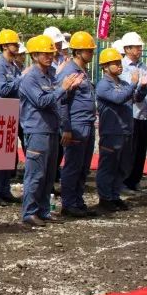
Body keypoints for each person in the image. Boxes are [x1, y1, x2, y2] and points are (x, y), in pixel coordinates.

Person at [19, 34, 82, 228]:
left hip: (51, 129)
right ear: (35, 55)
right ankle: (29, 212)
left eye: (50, 53)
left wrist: (67, 89)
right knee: (35, 174)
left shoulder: (51, 74)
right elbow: (42, 101)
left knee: (48, 174)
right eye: (45, 53)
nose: (49, 56)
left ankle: (44, 210)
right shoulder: (30, 78)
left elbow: (57, 101)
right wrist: (63, 89)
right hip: (37, 130)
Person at [95, 47, 147, 212]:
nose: (119, 66)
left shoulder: (124, 84)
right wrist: (133, 84)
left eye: (119, 62)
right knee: (108, 166)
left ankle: (114, 195)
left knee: (123, 166)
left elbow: (136, 98)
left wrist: (142, 87)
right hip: (111, 132)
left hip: (126, 131)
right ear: (105, 66)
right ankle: (105, 198)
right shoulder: (103, 85)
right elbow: (118, 98)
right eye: (115, 63)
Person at [57, 31, 99, 218]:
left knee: (83, 166)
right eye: (88, 51)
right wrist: (66, 128)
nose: (91, 54)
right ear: (78, 51)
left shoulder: (82, 71)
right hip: (75, 125)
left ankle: (77, 200)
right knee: (73, 165)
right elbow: (62, 102)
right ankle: (68, 203)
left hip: (87, 124)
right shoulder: (68, 72)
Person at [0, 29, 22, 205]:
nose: (16, 46)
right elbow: (4, 89)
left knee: (8, 154)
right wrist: (20, 79)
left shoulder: (14, 66)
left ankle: (4, 189)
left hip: (11, 114)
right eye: (14, 43)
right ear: (5, 46)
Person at [119, 32, 147, 193]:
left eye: (140, 47)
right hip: (130, 113)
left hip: (143, 112)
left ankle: (135, 181)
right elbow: (127, 91)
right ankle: (124, 182)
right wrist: (139, 84)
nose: (139, 50)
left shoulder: (142, 66)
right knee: (129, 149)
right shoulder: (123, 67)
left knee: (140, 149)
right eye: (137, 47)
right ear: (127, 48)